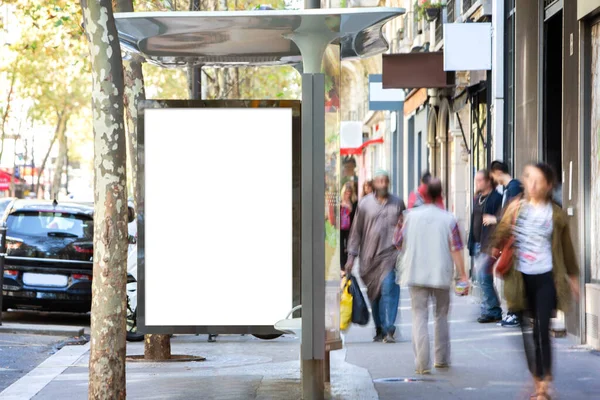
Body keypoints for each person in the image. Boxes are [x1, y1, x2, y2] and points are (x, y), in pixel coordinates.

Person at [490, 163, 579, 400]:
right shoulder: (516, 208)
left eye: (539, 180)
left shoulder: (556, 214)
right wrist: (495, 244)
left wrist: (573, 277)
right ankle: (537, 376)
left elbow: (566, 248)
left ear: (549, 185)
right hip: (520, 279)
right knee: (526, 333)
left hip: (547, 277)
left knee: (541, 331)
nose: (532, 184)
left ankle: (543, 385)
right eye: (529, 178)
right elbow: (500, 235)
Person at [395, 178, 469, 374]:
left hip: (416, 272)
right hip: (441, 273)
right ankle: (442, 359)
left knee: (419, 316)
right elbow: (456, 248)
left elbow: (398, 242)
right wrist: (463, 275)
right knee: (441, 315)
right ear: (441, 195)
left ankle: (422, 363)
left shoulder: (410, 217)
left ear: (423, 195)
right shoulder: (449, 219)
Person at [346, 169, 405, 343]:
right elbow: (356, 231)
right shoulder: (364, 204)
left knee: (389, 288)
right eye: (379, 181)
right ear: (373, 183)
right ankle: (379, 327)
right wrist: (351, 256)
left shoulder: (398, 203)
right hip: (368, 258)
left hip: (390, 256)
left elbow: (405, 228)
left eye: (385, 181)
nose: (383, 184)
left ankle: (389, 328)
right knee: (375, 295)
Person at [490, 160, 525, 327]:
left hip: (515, 241)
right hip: (511, 240)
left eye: (493, 176)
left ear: (497, 172)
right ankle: (513, 313)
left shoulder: (514, 188)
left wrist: (494, 219)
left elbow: (511, 215)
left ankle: (515, 314)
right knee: (509, 277)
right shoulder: (509, 189)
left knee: (513, 278)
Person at [468, 170, 503, 323]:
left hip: (489, 244)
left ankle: (494, 310)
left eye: (480, 180)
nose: (477, 183)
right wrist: (470, 242)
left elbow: (502, 221)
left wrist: (496, 244)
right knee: (480, 278)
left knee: (484, 277)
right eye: (476, 180)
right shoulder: (477, 198)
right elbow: (473, 221)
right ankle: (487, 309)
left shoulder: (496, 198)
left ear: (489, 181)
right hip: (477, 243)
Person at [340, 182, 358, 270]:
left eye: (349, 192)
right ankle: (342, 265)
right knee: (341, 246)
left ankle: (348, 263)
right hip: (340, 227)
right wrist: (342, 206)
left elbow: (355, 215)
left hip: (350, 228)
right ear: (343, 192)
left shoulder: (354, 202)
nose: (348, 194)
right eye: (346, 192)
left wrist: (350, 209)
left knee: (349, 246)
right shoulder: (340, 201)